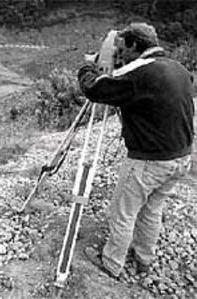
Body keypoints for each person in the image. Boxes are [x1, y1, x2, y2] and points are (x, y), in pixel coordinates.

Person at [78, 22, 195, 278]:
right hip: (181, 156)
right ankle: (144, 258)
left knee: (122, 212)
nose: (121, 54)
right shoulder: (179, 68)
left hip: (150, 160)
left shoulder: (138, 72)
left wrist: (89, 66)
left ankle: (111, 263)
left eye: (123, 48)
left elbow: (95, 88)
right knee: (152, 209)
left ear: (134, 44)